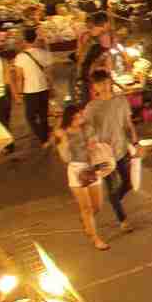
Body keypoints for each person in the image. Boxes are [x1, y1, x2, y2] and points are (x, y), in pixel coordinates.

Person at [85, 70, 137, 229]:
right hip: (104, 155)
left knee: (128, 182)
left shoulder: (121, 101)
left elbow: (128, 123)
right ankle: (122, 219)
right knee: (112, 186)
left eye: (106, 82)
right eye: (100, 84)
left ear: (111, 82)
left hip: (121, 149)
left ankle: (115, 199)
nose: (104, 86)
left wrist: (135, 142)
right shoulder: (92, 107)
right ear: (94, 87)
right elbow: (87, 131)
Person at [53, 104, 110, 250]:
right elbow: (65, 158)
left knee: (97, 205)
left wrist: (93, 145)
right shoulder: (63, 133)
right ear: (69, 119)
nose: (79, 120)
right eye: (75, 118)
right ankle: (95, 238)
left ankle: (86, 221)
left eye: (80, 116)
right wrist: (64, 141)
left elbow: (94, 142)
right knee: (87, 208)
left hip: (91, 168)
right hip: (76, 170)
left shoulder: (87, 128)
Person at [11, 28, 53, 146]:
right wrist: (51, 86)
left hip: (29, 91)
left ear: (24, 40)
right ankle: (45, 138)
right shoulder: (44, 53)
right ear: (35, 38)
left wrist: (19, 94)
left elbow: (20, 78)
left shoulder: (20, 57)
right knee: (43, 115)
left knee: (30, 117)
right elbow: (50, 73)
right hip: (44, 88)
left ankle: (42, 137)